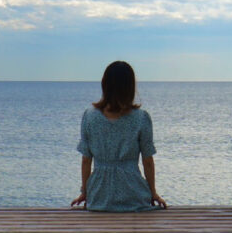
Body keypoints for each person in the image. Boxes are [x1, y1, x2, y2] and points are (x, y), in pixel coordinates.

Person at [70, 61, 167, 211]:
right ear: (130, 87)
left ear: (105, 85)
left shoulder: (89, 117)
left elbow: (86, 160)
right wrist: (153, 193)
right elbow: (147, 160)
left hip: (98, 197)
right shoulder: (141, 118)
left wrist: (85, 193)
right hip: (133, 196)